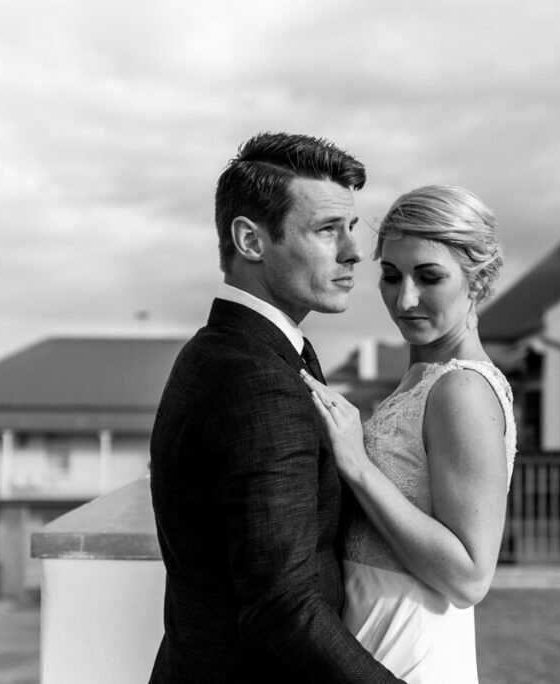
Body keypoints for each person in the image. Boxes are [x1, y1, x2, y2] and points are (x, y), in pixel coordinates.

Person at [148, 132, 404, 683]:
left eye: (351, 228)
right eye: (327, 230)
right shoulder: (256, 379)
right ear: (251, 240)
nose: (354, 252)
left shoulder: (220, 350)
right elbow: (283, 609)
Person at [301, 185, 516, 683]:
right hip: (370, 636)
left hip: (412, 648)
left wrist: (357, 466)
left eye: (429, 276)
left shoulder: (462, 389)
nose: (405, 299)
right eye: (392, 275)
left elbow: (469, 577)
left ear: (479, 280)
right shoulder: (423, 377)